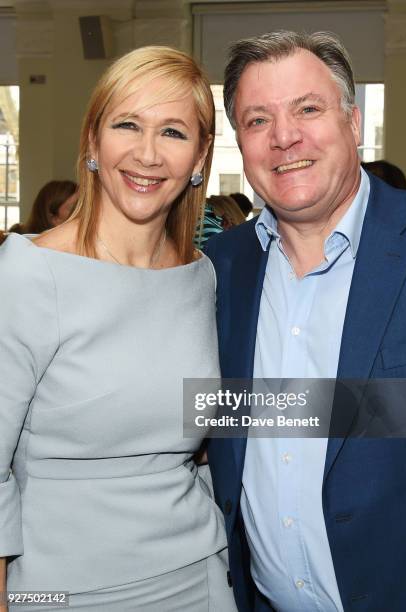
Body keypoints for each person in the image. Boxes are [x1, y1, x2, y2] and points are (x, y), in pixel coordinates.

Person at [0, 46, 237, 611]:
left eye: (174, 132)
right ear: (92, 140)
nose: (147, 153)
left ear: (201, 155)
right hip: (59, 588)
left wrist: (396, 410)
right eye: (127, 124)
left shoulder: (201, 276)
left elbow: (207, 411)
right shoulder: (28, 273)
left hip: (197, 573)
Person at [204, 31, 406, 612]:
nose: (285, 137)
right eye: (258, 120)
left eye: (308, 108)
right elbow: (222, 416)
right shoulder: (217, 270)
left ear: (353, 123)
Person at [8, 180, 78, 234]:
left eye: (81, 205)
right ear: (53, 218)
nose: (79, 211)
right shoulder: (22, 240)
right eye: (72, 207)